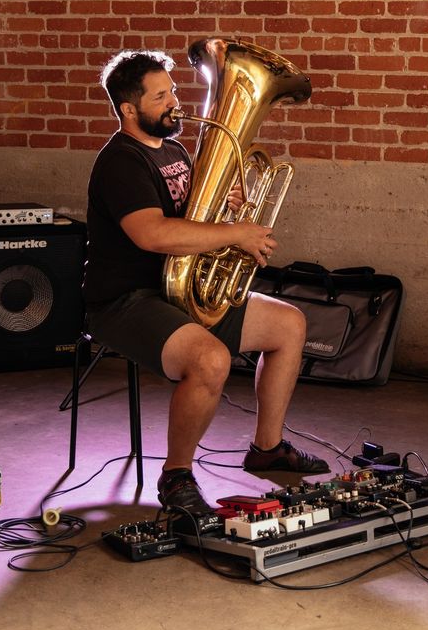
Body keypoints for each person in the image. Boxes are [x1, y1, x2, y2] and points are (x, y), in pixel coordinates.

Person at [82, 49, 329, 517]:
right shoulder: (121, 161)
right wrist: (235, 233)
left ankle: (267, 448)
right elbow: (153, 234)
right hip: (125, 300)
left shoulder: (174, 149)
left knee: (289, 325)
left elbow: (196, 218)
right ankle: (176, 476)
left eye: (173, 89)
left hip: (178, 288)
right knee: (211, 360)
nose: (175, 101)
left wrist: (229, 206)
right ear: (129, 110)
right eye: (161, 96)